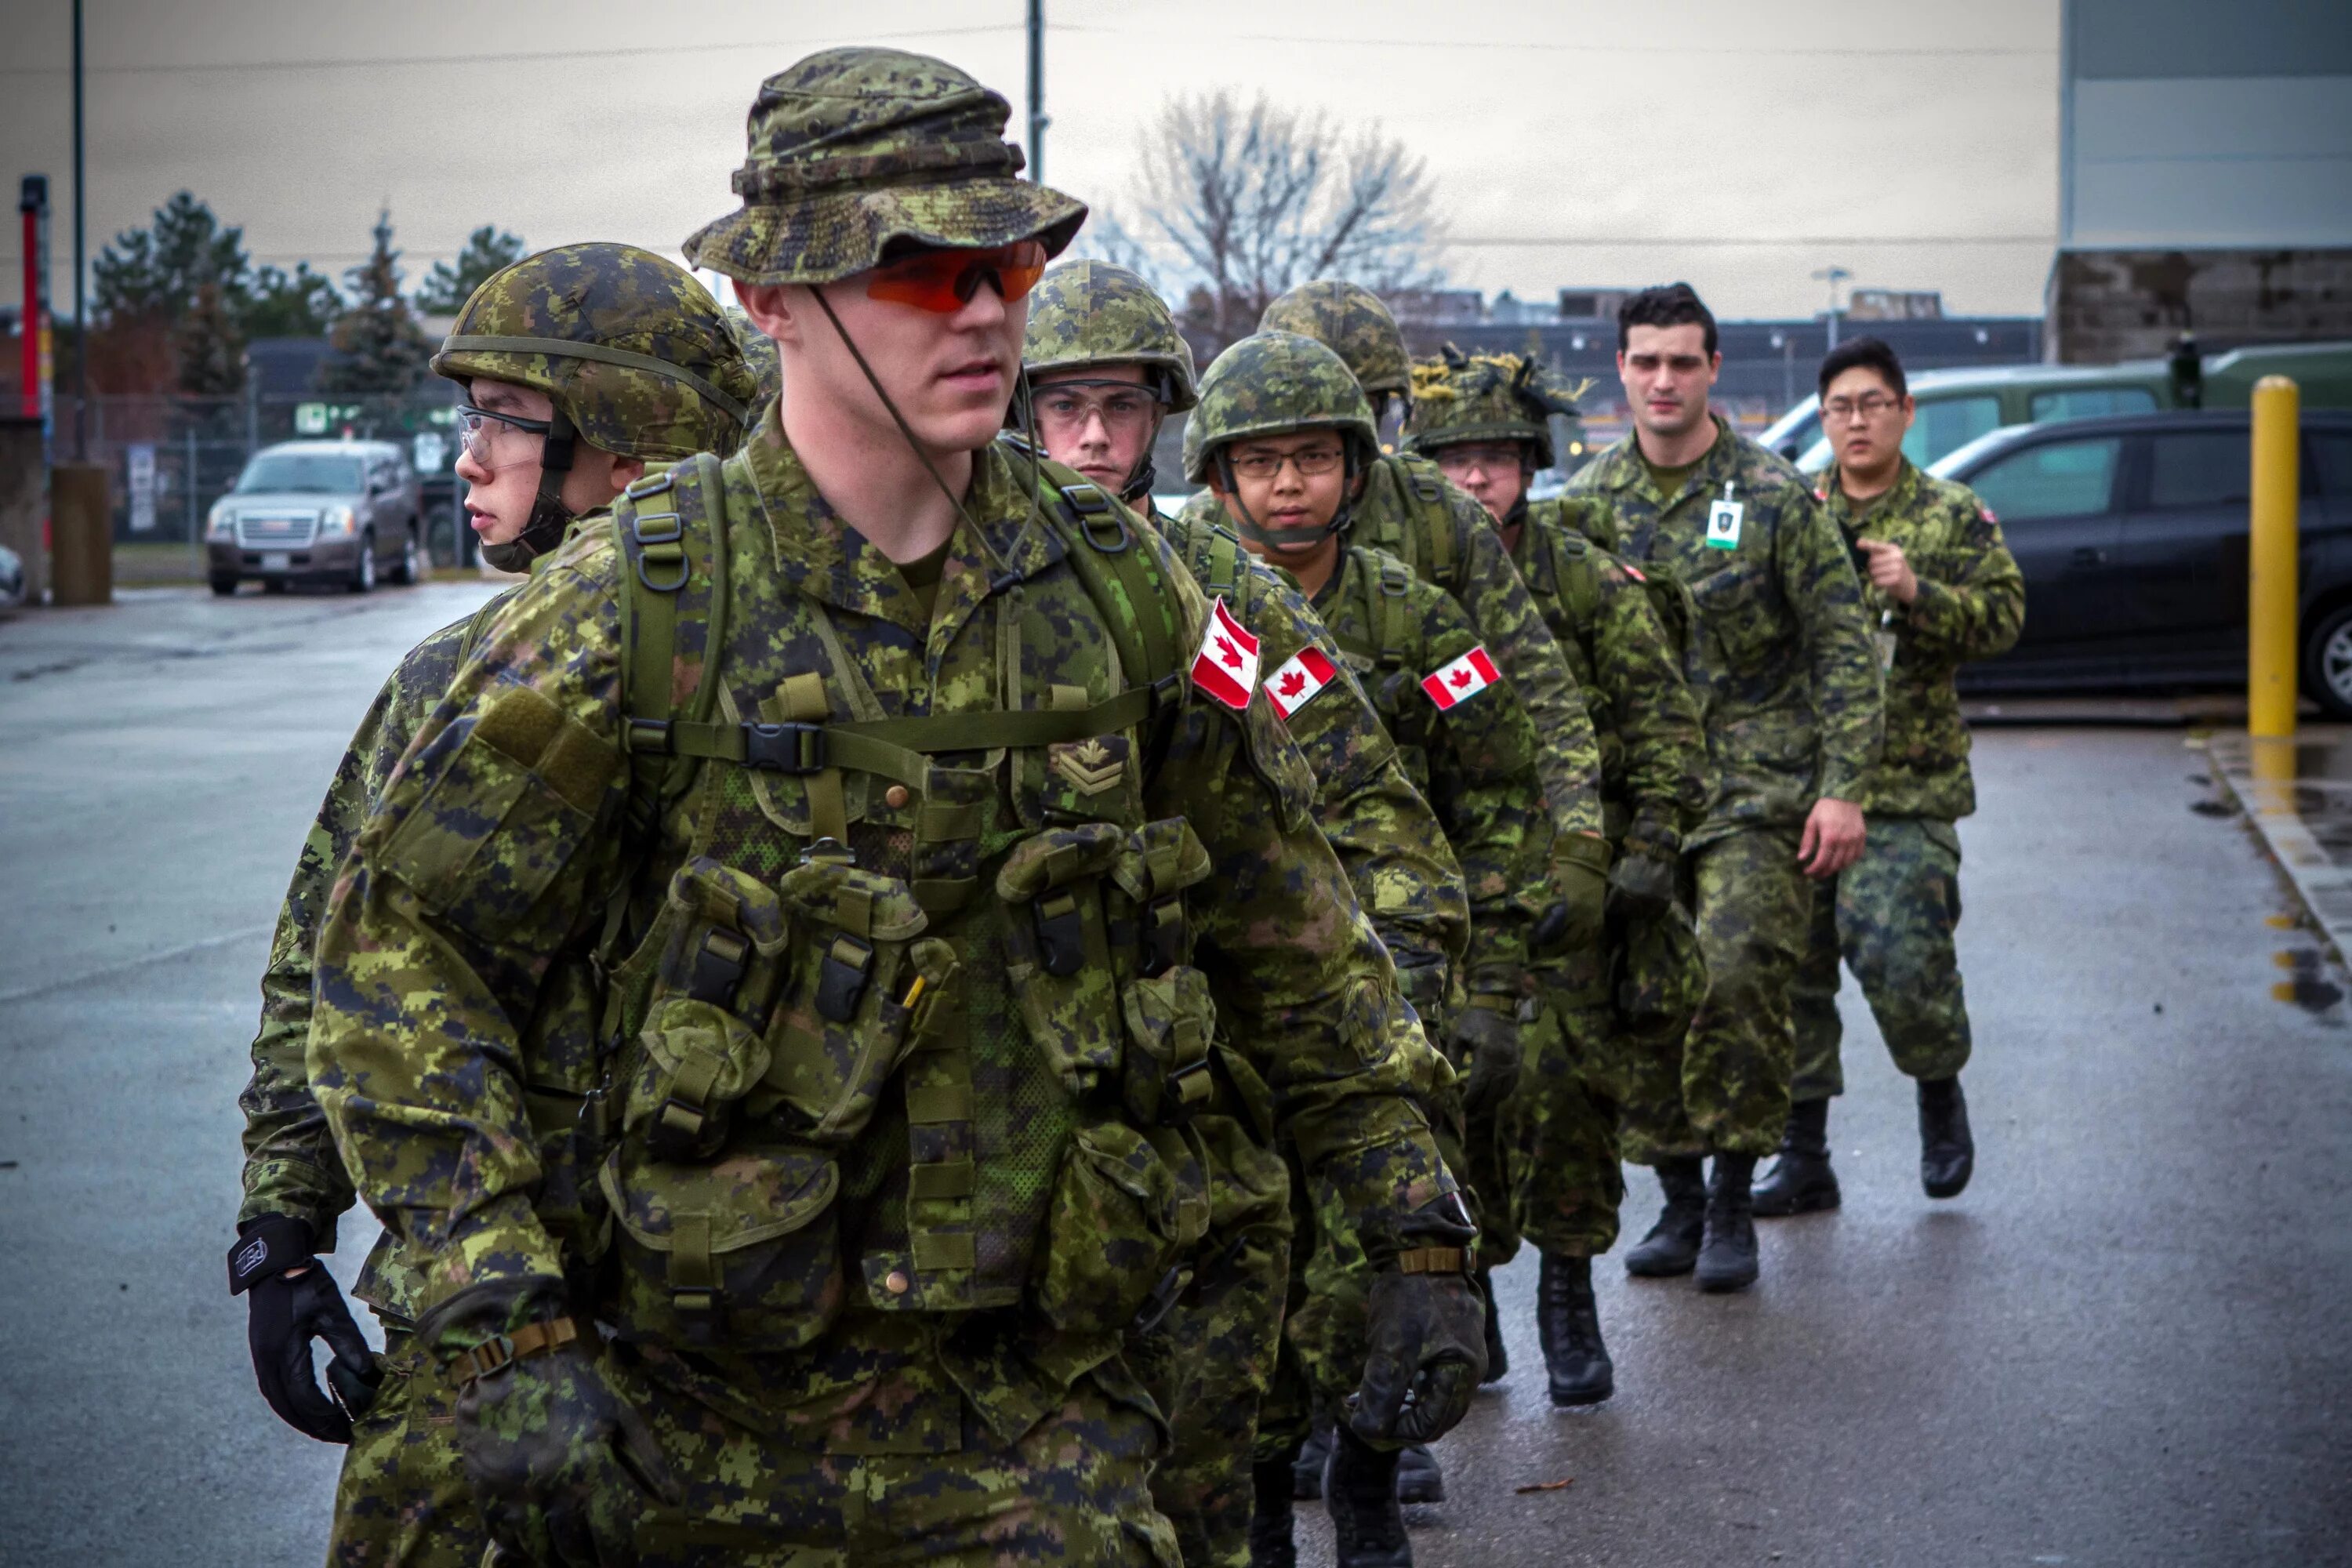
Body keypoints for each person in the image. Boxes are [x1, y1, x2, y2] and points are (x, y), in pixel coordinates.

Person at [305, 49, 1483, 1568]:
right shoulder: (640, 606)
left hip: (1038, 1414)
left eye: (1004, 262)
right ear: (774, 296)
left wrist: (1410, 1216)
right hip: (673, 1409)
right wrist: (494, 1304)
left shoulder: (1123, 595)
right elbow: (403, 949)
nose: (987, 308)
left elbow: (1292, 932)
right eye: (918, 270)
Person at [230, 243, 765, 1566]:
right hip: (490, 1312)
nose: (467, 459)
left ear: (625, 443)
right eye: (471, 421)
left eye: (506, 424)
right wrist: (284, 1232)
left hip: (743, 1322)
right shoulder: (451, 680)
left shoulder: (792, 677)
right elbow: (335, 959)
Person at [1018, 260, 1474, 1566]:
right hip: (1007, 1123)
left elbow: (1373, 810)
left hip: (1205, 1090)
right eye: (1065, 408)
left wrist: (1405, 1027)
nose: (1095, 436)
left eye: (1119, 405)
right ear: (1021, 416)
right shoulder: (939, 593)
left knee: (1222, 1451)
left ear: (1159, 418)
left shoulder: (1224, 596)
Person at [1188, 329, 1551, 1568]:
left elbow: (1500, 790)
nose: (1288, 485)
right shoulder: (1178, 604)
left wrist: (1476, 977)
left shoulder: (1422, 616)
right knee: (1244, 1274)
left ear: (1355, 464)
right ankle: (1255, 1503)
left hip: (1397, 970)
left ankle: (1368, 1476)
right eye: (1261, 463)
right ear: (1220, 476)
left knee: (1368, 1267)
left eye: (1311, 459)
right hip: (1233, 990)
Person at [1562, 283, 1881, 1293]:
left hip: (1756, 782)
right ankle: (1680, 1197)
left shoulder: (1775, 494)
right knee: (1646, 992)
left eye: (1684, 362)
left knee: (1738, 969)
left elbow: (1841, 647)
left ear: (1713, 371)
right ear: (1621, 368)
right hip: (1641, 796)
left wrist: (1844, 787)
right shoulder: (1588, 504)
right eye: (1646, 361)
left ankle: (1739, 1192)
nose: (1664, 380)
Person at [1403, 347, 1708, 1402]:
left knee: (1573, 1094)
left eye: (1493, 459)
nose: (1475, 480)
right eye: (1452, 461)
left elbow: (1663, 729)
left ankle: (1569, 1297)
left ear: (1531, 465)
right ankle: (1477, 1293)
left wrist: (1645, 854)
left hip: (1573, 883)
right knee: (1464, 1092)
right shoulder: (1407, 583)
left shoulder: (1581, 577)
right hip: (1449, 880)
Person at [1759, 336, 2023, 1215]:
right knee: (1794, 967)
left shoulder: (1951, 513)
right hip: (1801, 779)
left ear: (1906, 413)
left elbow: (2006, 620)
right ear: (1823, 417)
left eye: (1874, 403)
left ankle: (1938, 1088)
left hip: (1906, 786)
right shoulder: (1789, 509)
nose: (1857, 420)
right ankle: (1804, 1153)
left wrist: (1921, 593)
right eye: (1840, 406)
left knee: (1899, 949)